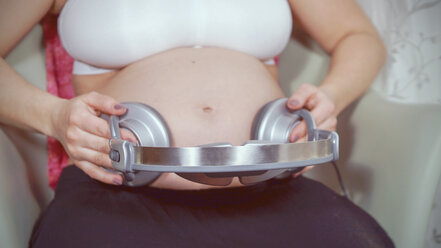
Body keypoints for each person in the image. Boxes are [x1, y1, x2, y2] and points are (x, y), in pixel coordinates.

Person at [0, 0, 393, 247]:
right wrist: (52, 115)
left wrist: (331, 95)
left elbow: (357, 36)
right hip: (116, 191)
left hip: (274, 188)